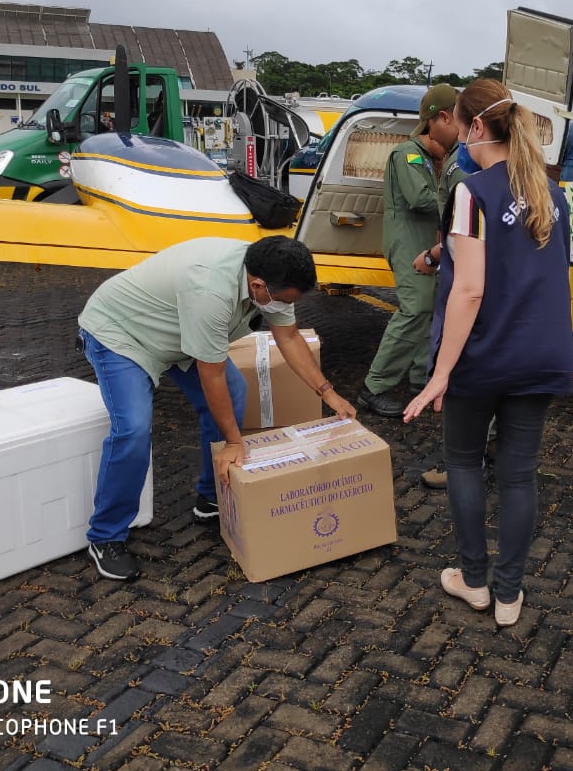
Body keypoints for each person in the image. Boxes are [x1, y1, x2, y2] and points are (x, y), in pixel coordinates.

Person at [78, 235, 356, 580]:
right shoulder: (210, 291)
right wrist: (234, 442)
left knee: (235, 394)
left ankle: (211, 499)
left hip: (178, 333)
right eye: (282, 301)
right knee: (133, 429)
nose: (283, 308)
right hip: (123, 334)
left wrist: (328, 394)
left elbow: (288, 338)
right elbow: (212, 377)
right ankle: (105, 536)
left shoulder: (273, 275)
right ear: (257, 285)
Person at [404, 79, 573, 627]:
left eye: (458, 123)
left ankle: (474, 581)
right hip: (541, 355)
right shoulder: (555, 195)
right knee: (519, 476)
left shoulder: (471, 192)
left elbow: (471, 289)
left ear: (475, 127)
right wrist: (441, 252)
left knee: (463, 463)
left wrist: (440, 374)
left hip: (483, 356)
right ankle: (509, 594)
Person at [358, 83, 458, 418]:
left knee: (428, 309)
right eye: (456, 120)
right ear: (437, 120)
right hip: (408, 241)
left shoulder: (430, 158)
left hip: (423, 239)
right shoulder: (408, 154)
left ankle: (420, 379)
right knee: (414, 310)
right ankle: (374, 388)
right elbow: (420, 199)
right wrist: (460, 198)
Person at [414, 107, 469, 489]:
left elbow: (457, 233)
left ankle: (461, 461)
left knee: (458, 372)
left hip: (462, 281)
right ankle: (489, 446)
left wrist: (433, 256)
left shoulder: (462, 168)